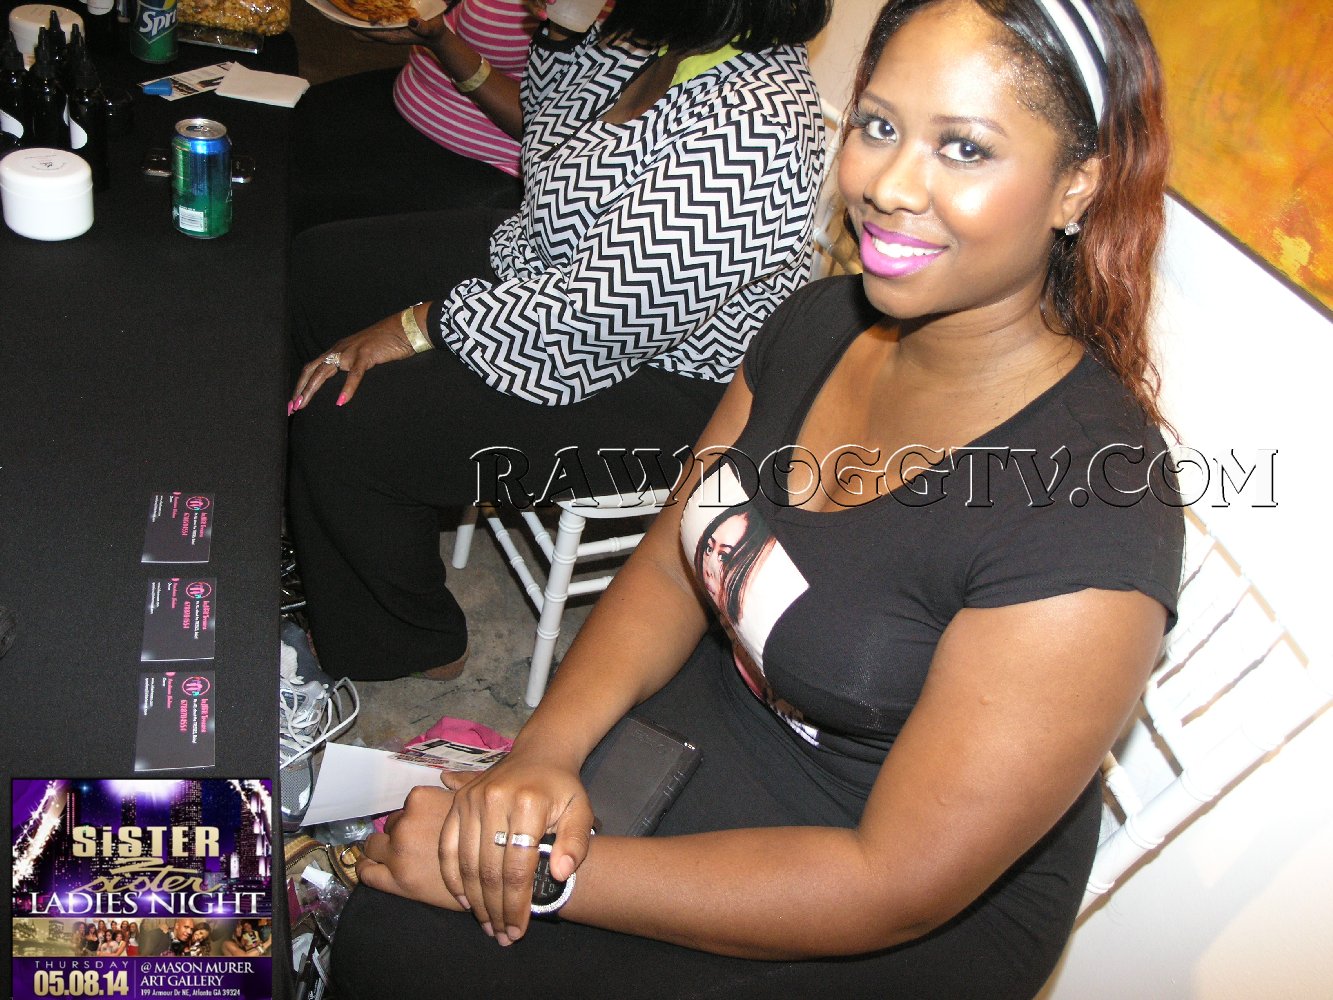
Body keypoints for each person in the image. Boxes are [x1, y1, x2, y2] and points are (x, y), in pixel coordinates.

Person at [333, 0, 1185, 996]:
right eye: (878, 125)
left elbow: (891, 883)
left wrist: (544, 875)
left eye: (963, 147)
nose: (887, 186)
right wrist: (542, 751)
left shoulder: (1091, 511)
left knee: (424, 943)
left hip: (883, 890)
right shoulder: (819, 323)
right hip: (741, 705)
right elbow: (673, 560)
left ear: (1075, 185)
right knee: (397, 921)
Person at [286, 0, 831, 681]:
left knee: (349, 425)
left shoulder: (757, 128)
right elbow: (548, 140)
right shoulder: (668, 37)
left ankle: (410, 641)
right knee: (320, 269)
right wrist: (560, 31)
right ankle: (342, 528)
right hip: (552, 267)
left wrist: (420, 324)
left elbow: (606, 314)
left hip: (664, 375)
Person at [289, 0, 539, 233]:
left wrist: (442, 42)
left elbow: (545, 122)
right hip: (413, 96)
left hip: (481, 160)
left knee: (287, 187)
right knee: (280, 130)